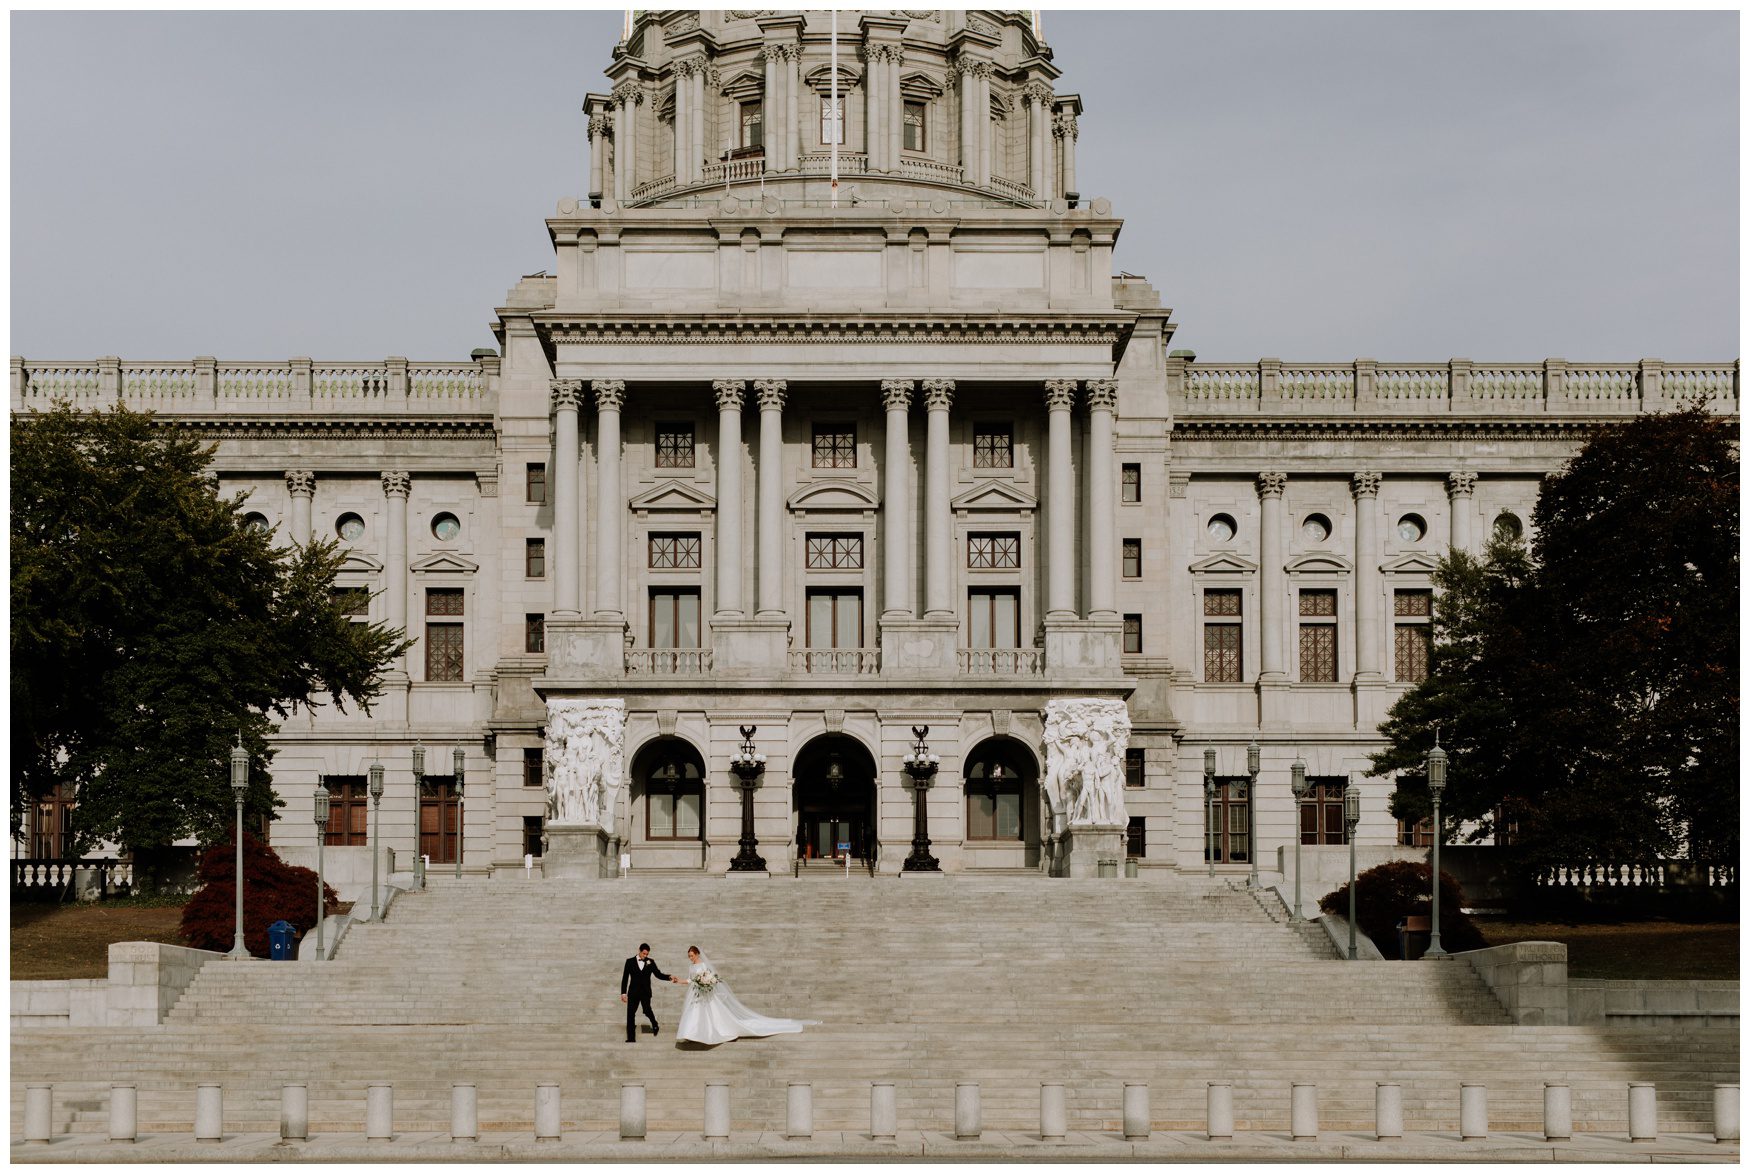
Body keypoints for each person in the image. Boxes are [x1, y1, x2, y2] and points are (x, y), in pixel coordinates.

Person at [675, 945, 820, 1046]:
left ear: (697, 954)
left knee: (710, 1015)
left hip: (705, 994)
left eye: (692, 956)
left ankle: (701, 1034)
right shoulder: (691, 966)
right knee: (693, 1013)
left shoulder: (703, 965)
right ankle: (692, 1034)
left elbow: (709, 978)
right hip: (696, 994)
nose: (691, 959)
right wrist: (679, 981)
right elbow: (690, 980)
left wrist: (705, 982)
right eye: (689, 957)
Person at [620, 942, 681, 1043]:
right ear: (639, 951)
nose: (645, 956)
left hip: (645, 992)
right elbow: (625, 978)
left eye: (647, 954)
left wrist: (669, 977)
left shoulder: (650, 962)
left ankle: (655, 1023)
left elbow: (658, 974)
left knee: (647, 1010)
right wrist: (623, 993)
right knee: (630, 1014)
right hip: (633, 992)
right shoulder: (629, 961)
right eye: (644, 954)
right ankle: (631, 1038)